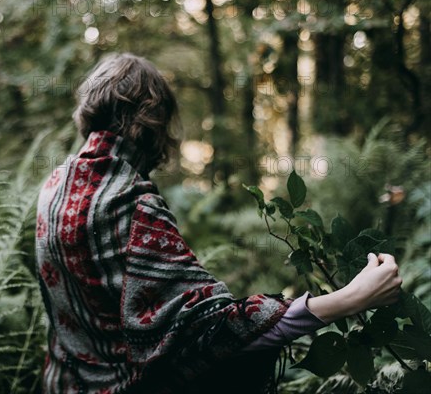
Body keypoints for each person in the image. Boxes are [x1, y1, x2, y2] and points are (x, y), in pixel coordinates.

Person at [34, 53, 403, 394]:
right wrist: (353, 297)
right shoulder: (133, 204)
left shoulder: (52, 189)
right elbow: (215, 332)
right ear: (153, 120)